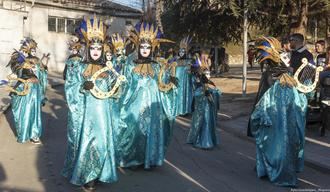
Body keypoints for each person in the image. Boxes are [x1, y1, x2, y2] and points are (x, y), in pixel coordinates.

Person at [62, 15, 120, 190]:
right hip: (86, 116)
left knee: (102, 143)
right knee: (87, 143)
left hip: (103, 116)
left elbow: (115, 92)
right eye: (92, 47)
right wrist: (82, 87)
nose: (95, 51)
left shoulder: (109, 70)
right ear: (87, 47)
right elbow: (70, 88)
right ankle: (87, 175)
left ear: (103, 49)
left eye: (98, 48)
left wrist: (117, 89)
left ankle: (101, 172)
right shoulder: (78, 66)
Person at [116, 22, 176, 169]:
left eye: (147, 47)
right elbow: (124, 84)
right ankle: (133, 158)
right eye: (142, 47)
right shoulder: (130, 65)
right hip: (134, 106)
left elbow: (163, 84)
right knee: (135, 132)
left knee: (151, 132)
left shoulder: (157, 66)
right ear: (138, 47)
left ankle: (149, 158)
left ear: (152, 48)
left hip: (153, 108)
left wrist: (171, 82)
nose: (144, 50)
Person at [250, 36, 307, 187]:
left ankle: (271, 169)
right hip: (288, 120)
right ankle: (275, 168)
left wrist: (257, 117)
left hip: (274, 118)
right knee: (285, 142)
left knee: (270, 141)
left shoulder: (271, 76)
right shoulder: (287, 78)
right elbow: (300, 102)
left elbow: (263, 103)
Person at [7, 38, 47, 144]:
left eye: (34, 50)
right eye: (31, 50)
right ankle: (24, 133)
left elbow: (42, 72)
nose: (33, 52)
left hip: (35, 88)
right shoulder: (22, 61)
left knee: (35, 111)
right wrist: (27, 71)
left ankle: (34, 134)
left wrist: (40, 68)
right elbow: (20, 73)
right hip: (26, 88)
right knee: (25, 111)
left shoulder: (36, 60)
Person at [61, 36, 85, 182]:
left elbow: (65, 76)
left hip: (78, 96)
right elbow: (67, 77)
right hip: (78, 95)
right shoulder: (77, 61)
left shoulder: (75, 61)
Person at [187, 63, 221, 149]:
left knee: (208, 122)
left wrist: (214, 93)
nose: (208, 75)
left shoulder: (210, 85)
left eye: (209, 74)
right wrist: (203, 94)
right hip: (201, 110)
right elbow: (196, 95)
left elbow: (215, 95)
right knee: (203, 122)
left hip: (209, 109)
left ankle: (209, 140)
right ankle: (203, 141)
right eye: (206, 74)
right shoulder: (199, 84)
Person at [174, 36, 193, 116]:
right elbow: (169, 64)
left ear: (186, 52)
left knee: (185, 94)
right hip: (178, 81)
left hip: (186, 82)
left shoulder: (189, 61)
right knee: (178, 93)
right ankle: (178, 110)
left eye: (183, 51)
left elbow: (193, 68)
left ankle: (185, 110)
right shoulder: (176, 60)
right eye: (180, 51)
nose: (181, 53)